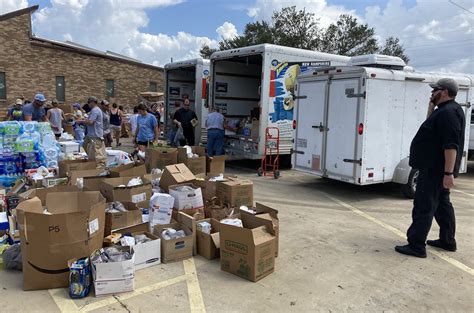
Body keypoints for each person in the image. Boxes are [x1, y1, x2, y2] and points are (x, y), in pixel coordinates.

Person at [395, 78, 465, 258]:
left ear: (444, 92)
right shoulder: (446, 110)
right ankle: (447, 241)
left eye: (435, 90)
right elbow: (430, 131)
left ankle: (416, 245)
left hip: (434, 171)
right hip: (436, 170)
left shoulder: (448, 113)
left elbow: (450, 146)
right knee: (442, 206)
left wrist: (448, 173)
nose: (431, 93)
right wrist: (431, 108)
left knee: (423, 206)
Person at [78, 96, 106, 169]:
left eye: (89, 103)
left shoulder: (95, 110)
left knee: (97, 150)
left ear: (93, 102)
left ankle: (100, 166)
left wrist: (81, 121)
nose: (88, 104)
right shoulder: (94, 110)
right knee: (85, 145)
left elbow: (90, 122)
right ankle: (92, 160)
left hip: (95, 134)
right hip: (90, 134)